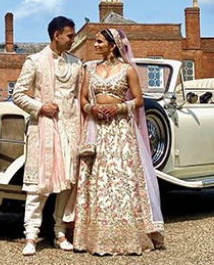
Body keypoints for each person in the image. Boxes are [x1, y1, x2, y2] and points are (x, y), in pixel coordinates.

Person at [72, 28, 165, 255]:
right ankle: (92, 238)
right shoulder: (90, 69)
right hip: (97, 129)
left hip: (121, 130)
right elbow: (83, 97)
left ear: (112, 45)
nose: (94, 45)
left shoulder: (127, 70)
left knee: (122, 179)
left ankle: (130, 237)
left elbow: (139, 100)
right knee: (97, 179)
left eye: (99, 41)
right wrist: (91, 108)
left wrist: (118, 108)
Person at [12, 16, 82, 256]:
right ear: (56, 35)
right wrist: (41, 107)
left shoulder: (76, 64)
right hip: (43, 128)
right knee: (38, 184)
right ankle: (31, 235)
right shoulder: (35, 61)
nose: (73, 39)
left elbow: (81, 97)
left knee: (67, 182)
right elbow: (18, 94)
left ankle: (59, 230)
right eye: (70, 35)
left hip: (70, 128)